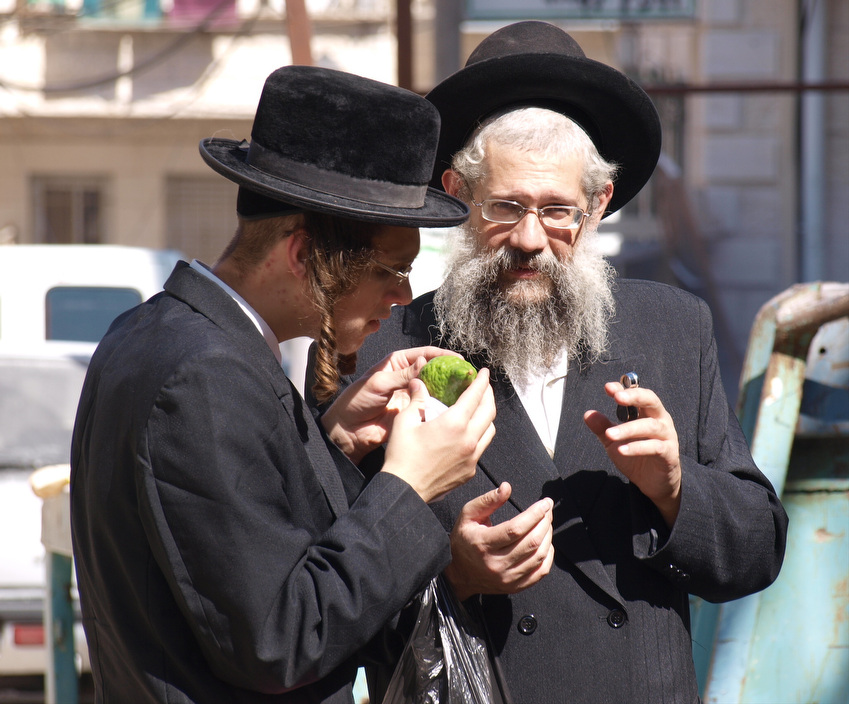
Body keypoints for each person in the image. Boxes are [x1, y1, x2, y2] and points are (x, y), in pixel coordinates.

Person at [341, 21, 789, 703]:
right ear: (458, 193)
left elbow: (755, 554)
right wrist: (452, 574)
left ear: (598, 203)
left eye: (557, 210)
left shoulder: (671, 326)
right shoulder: (390, 345)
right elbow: (328, 591)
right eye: (505, 207)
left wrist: (673, 487)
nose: (528, 238)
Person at [70, 65, 497, 703]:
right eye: (391, 270)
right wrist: (409, 486)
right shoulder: (206, 375)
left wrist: (334, 442)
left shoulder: (157, 333)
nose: (404, 296)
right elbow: (282, 639)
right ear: (303, 255)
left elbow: (231, 541)